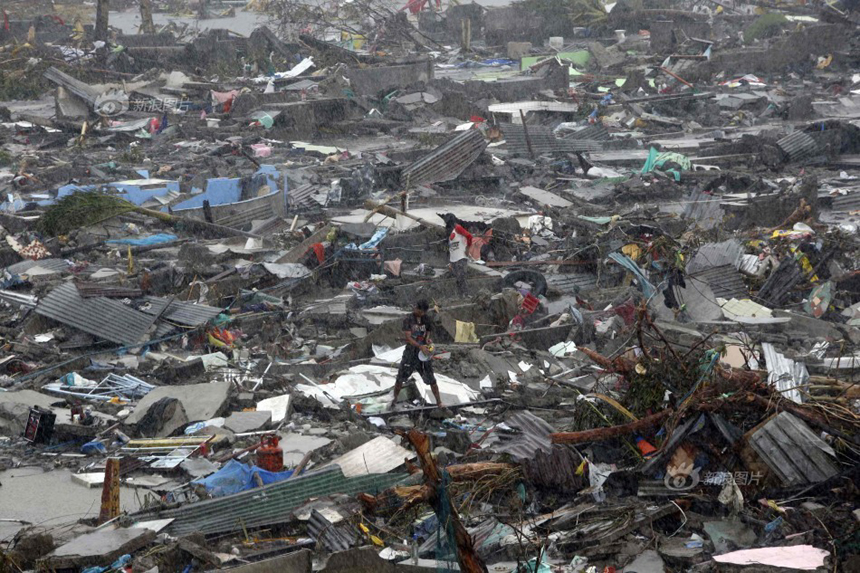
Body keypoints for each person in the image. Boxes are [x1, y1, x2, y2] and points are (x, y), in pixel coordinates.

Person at [390, 300, 443, 409]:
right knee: (400, 378)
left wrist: (427, 340)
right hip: (411, 353)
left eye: (422, 312)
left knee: (431, 379)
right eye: (419, 310)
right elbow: (408, 338)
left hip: (423, 355)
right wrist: (420, 346)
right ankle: (393, 401)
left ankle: (439, 403)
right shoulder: (408, 319)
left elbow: (428, 332)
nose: (420, 313)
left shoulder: (426, 319)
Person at [448, 220, 473, 297]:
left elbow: (469, 236)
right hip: (454, 260)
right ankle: (461, 296)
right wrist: (450, 262)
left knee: (461, 277)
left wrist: (468, 248)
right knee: (458, 279)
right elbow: (451, 248)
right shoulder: (451, 233)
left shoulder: (458, 228)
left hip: (461, 258)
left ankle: (466, 294)